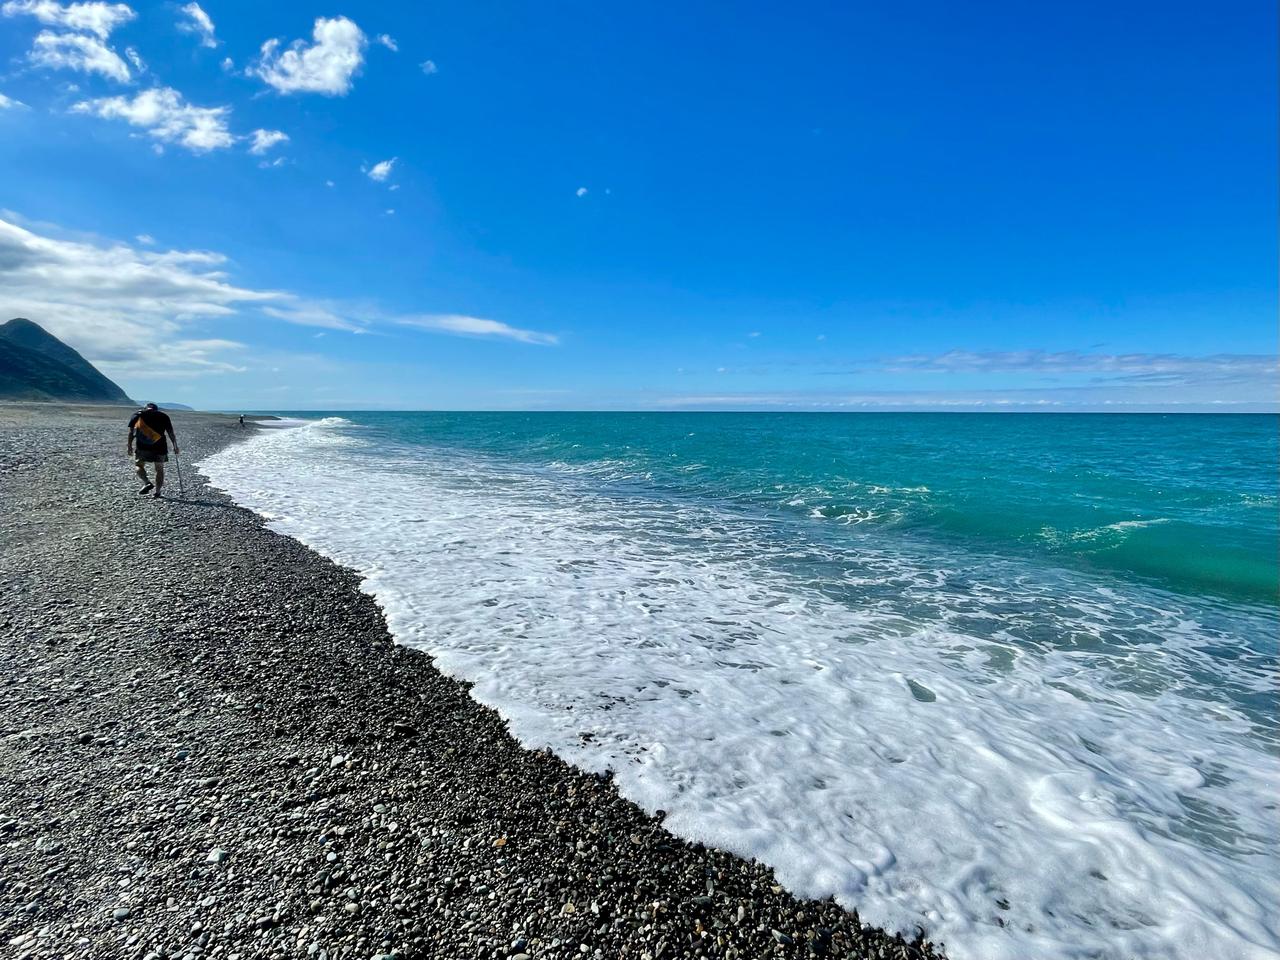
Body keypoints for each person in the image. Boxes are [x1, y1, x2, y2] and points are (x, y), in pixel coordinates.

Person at [127, 403, 179, 498]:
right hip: (160, 447)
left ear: (145, 408)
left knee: (139, 465)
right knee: (159, 469)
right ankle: (157, 492)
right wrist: (175, 446)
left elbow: (131, 433)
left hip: (142, 447)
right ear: (156, 409)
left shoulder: (137, 415)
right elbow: (171, 433)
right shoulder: (163, 416)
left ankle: (147, 482)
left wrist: (129, 446)